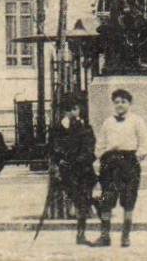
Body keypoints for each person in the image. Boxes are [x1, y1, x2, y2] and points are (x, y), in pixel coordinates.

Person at [94, 87, 147, 247]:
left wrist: (138, 156)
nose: (119, 105)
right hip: (110, 162)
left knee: (128, 198)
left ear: (129, 103)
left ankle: (125, 236)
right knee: (107, 198)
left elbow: (144, 141)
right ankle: (105, 236)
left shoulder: (136, 120)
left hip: (128, 162)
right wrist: (101, 156)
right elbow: (101, 142)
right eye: (116, 102)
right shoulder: (108, 122)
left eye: (123, 102)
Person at [50, 96, 98, 245]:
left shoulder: (85, 126)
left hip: (83, 169)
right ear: (66, 111)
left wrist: (84, 159)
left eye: (76, 108)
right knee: (78, 200)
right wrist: (59, 161)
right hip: (68, 171)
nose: (74, 112)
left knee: (81, 201)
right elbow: (53, 147)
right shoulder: (58, 128)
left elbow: (90, 146)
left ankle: (80, 234)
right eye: (71, 109)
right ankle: (82, 229)